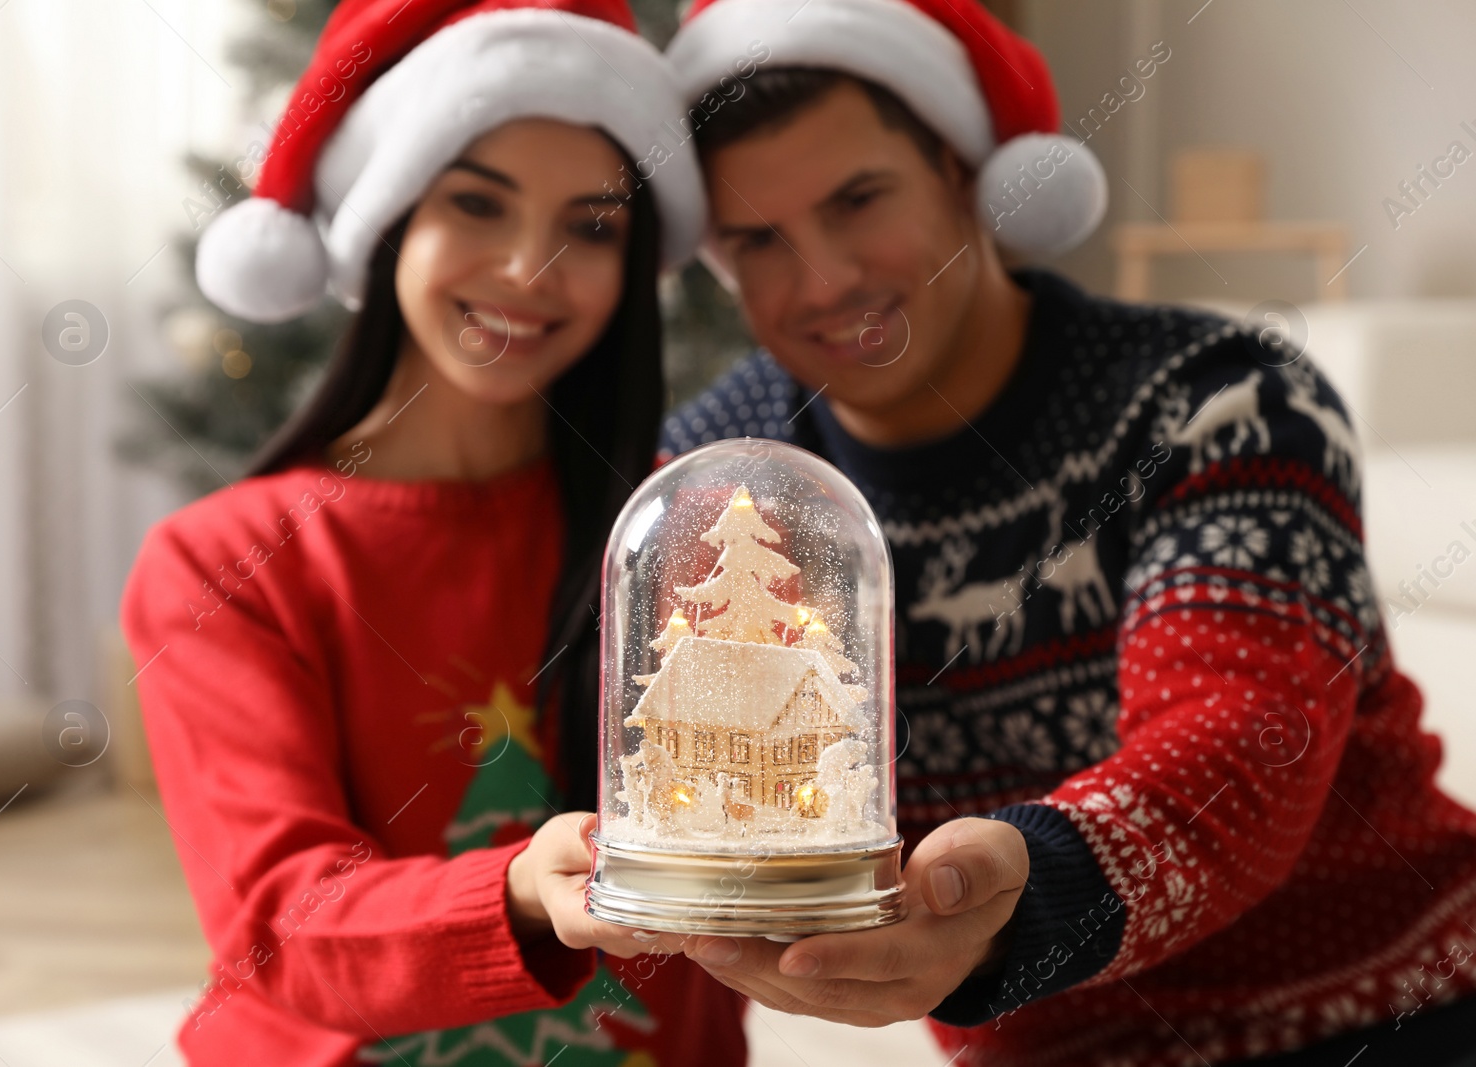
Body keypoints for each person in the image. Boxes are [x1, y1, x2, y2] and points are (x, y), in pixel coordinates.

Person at [655, 0, 1476, 1064]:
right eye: (755, 239)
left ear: (964, 171)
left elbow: (1241, 737)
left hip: (1397, 1012)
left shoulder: (1221, 400)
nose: (822, 279)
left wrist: (1029, 881)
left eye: (859, 199)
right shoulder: (718, 489)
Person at [119, 1, 743, 1064]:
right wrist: (512, 888)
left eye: (590, 227)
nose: (527, 271)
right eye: (477, 204)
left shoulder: (682, 537)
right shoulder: (221, 563)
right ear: (392, 215)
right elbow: (278, 929)